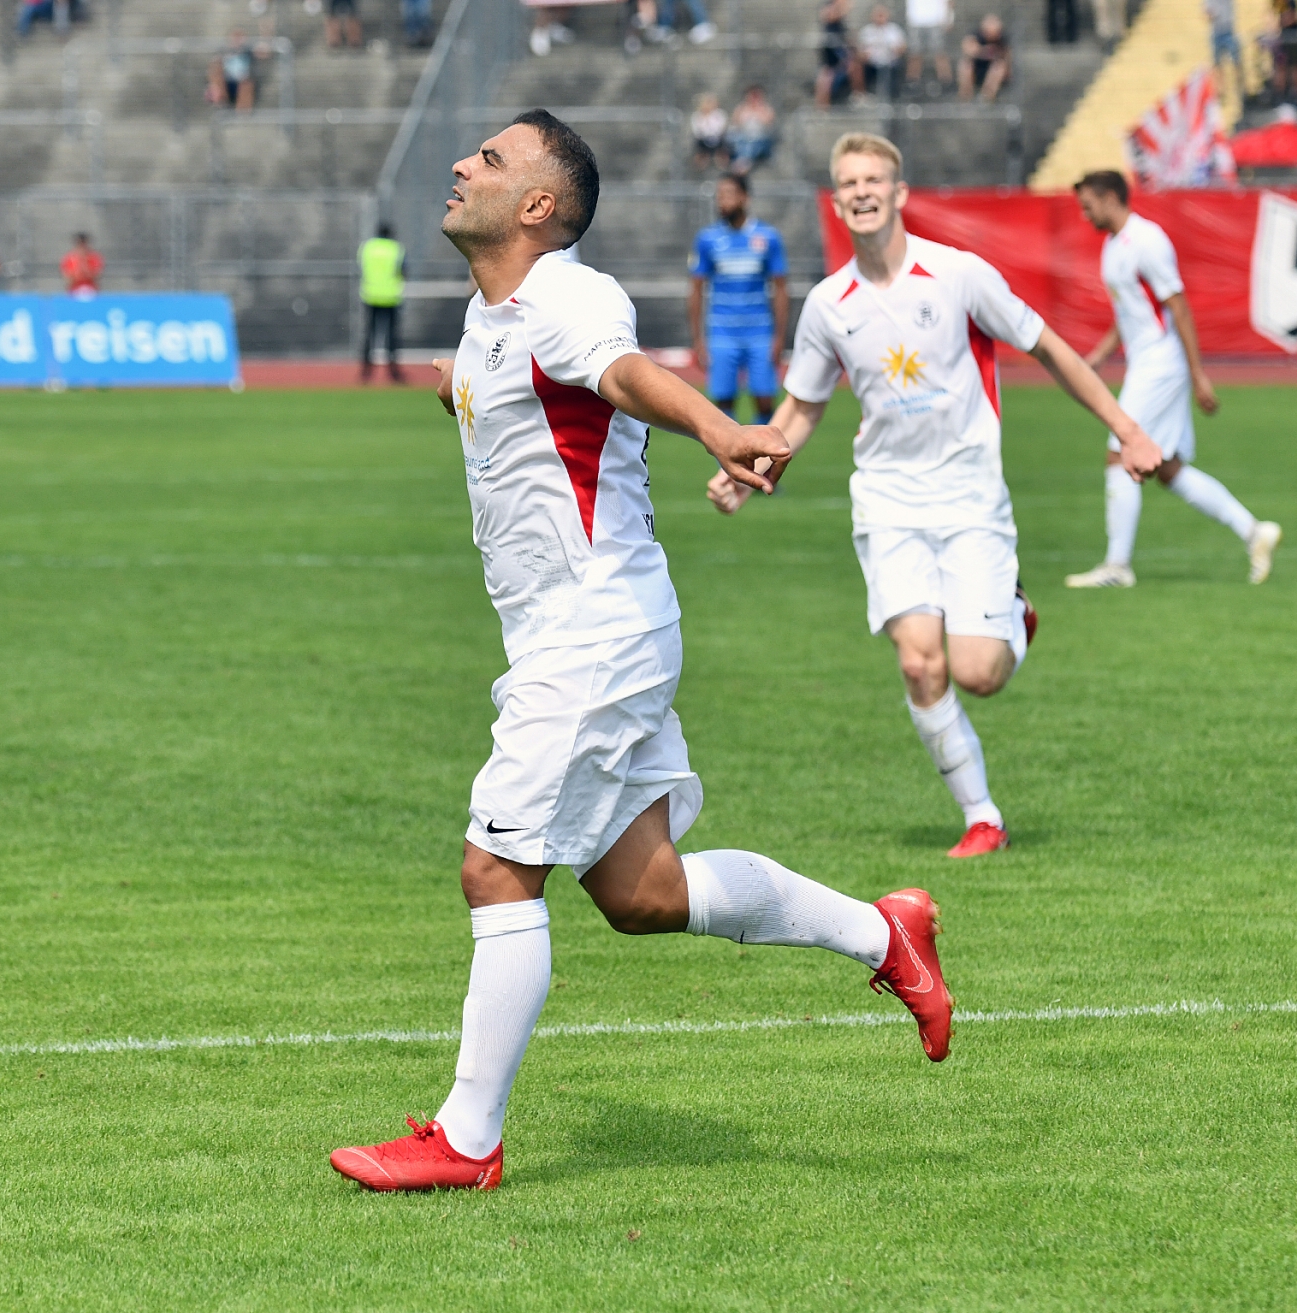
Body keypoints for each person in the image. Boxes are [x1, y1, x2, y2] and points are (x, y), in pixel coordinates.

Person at [327, 111, 955, 1194]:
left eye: (490, 159)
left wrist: (719, 427)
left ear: (538, 206)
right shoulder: (491, 319)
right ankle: (884, 932)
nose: (463, 164)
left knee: (496, 866)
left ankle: (467, 1139)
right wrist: (454, 383)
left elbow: (619, 373)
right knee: (643, 891)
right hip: (593, 629)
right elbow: (517, 389)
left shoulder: (567, 295)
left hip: (592, 632)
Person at [707, 133, 1165, 857]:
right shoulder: (828, 304)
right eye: (848, 182)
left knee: (977, 673)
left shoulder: (958, 275)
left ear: (898, 194)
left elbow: (1049, 348)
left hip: (969, 496)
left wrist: (1129, 430)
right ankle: (982, 817)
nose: (861, 192)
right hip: (887, 503)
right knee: (920, 663)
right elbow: (803, 406)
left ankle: (1014, 612)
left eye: (874, 180)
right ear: (837, 200)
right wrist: (750, 467)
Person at [1064, 174, 1283, 590]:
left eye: (1088, 205)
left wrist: (1198, 375)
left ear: (1110, 198)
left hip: (1161, 364)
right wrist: (1101, 355)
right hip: (1147, 362)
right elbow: (1130, 312)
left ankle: (1117, 566)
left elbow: (1178, 307)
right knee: (1166, 468)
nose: (1084, 214)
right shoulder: (1113, 246)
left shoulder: (1147, 241)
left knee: (1121, 452)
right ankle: (1254, 531)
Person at [687, 173, 789, 419]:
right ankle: (728, 447)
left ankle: (763, 444)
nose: (723, 201)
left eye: (729, 194)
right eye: (720, 195)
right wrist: (699, 339)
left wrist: (779, 337)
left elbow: (781, 289)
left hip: (760, 332)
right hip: (722, 332)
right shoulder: (707, 239)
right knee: (723, 404)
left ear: (745, 197)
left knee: (765, 400)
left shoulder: (768, 237)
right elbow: (696, 290)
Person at [358, 223, 406, 383]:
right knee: (391, 337)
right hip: (391, 297)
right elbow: (404, 270)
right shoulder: (396, 248)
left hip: (370, 295)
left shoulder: (367, 248)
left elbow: (361, 267)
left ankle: (365, 372)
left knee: (369, 335)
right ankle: (394, 372)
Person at [817, 0, 863, 105]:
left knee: (855, 67)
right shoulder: (828, 24)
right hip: (831, 56)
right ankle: (822, 107)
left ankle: (858, 95)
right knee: (825, 78)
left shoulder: (840, 25)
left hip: (841, 54)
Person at [725, 85, 778, 175]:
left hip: (761, 139)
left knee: (751, 144)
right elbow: (735, 123)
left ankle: (742, 164)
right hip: (743, 138)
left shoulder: (766, 109)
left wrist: (758, 111)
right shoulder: (741, 108)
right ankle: (742, 163)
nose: (754, 98)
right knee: (736, 139)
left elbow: (768, 123)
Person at [958, 14, 1012, 102]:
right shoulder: (976, 34)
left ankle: (986, 98)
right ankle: (965, 97)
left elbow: (1007, 56)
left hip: (992, 70)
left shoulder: (1002, 38)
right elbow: (967, 48)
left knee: (999, 67)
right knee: (965, 65)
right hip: (976, 67)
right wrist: (984, 51)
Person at [862, 5, 909, 100]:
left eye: (882, 15)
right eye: (878, 16)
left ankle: (895, 95)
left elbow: (903, 47)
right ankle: (866, 94)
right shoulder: (867, 31)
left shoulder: (894, 29)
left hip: (891, 61)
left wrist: (896, 50)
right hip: (873, 63)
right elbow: (861, 51)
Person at [905, 0, 954, 89]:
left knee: (940, 53)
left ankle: (945, 81)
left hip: (936, 20)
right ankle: (912, 82)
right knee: (914, 54)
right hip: (915, 20)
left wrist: (949, 17)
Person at [209, 31, 256, 110]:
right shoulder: (223, 51)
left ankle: (242, 111)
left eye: (239, 38)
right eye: (235, 37)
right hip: (226, 81)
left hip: (242, 81)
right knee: (217, 77)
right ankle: (222, 106)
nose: (237, 40)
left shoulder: (248, 52)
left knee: (247, 85)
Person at [1208, 0, 1246, 99]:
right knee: (1217, 64)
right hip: (1216, 32)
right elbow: (1207, 15)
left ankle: (1240, 87)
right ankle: (1221, 91)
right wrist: (1213, 15)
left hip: (1229, 31)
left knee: (1236, 61)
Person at [690, 93, 729, 171]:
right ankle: (700, 165)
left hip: (717, 138)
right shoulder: (696, 116)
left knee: (723, 144)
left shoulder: (720, 114)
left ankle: (722, 163)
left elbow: (721, 129)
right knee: (699, 145)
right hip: (703, 138)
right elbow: (697, 131)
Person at [61, 232, 104, 299]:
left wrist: (84, 264)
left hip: (91, 289)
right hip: (74, 289)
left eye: (83, 243)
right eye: (79, 244)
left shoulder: (94, 257)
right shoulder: (69, 258)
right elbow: (68, 278)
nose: (82, 247)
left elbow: (97, 276)